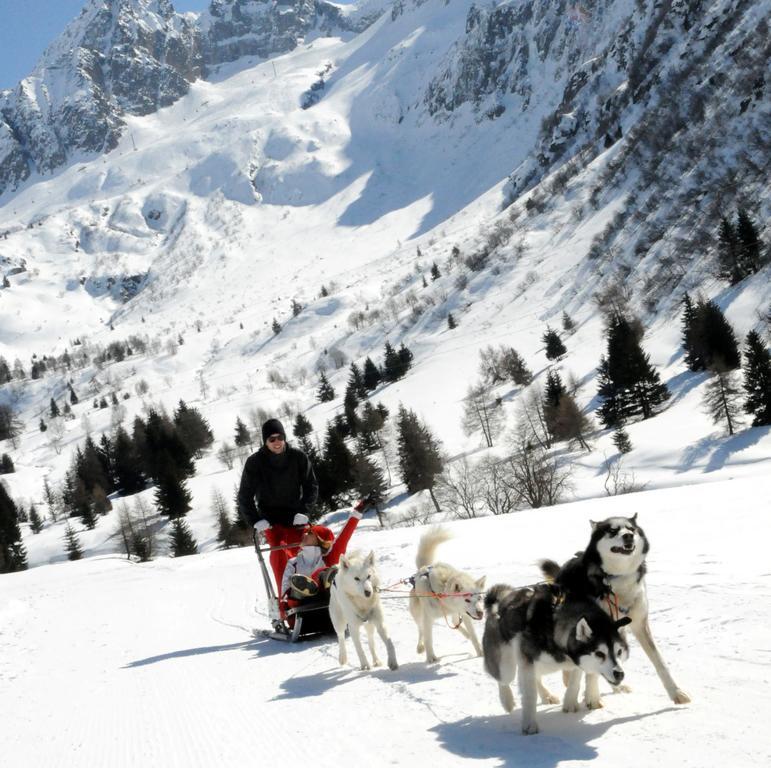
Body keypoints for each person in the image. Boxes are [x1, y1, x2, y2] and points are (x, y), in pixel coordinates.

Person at [237, 418, 318, 588]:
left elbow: (311, 486)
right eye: (271, 439)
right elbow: (245, 495)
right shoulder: (255, 463)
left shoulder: (298, 457)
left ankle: (309, 593)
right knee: (280, 553)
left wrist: (304, 511)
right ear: (265, 441)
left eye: (280, 437)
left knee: (303, 553)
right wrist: (256, 520)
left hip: (295, 517)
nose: (277, 442)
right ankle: (286, 595)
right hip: (270, 521)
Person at [280, 508, 363, 602]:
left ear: (320, 540)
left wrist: (358, 511)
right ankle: (305, 587)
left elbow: (345, 535)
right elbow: (285, 590)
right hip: (300, 606)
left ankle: (320, 584)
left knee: (327, 572)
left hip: (327, 604)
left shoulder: (328, 559)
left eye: (310, 533)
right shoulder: (293, 562)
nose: (305, 534)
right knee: (295, 585)